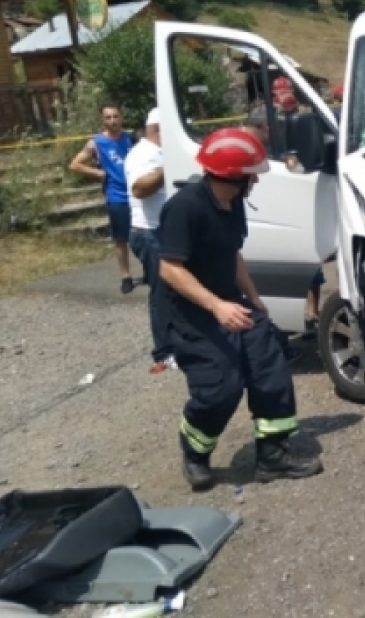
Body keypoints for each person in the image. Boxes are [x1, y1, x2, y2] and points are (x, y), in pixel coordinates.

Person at [158, 127, 323, 490]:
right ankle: (195, 451)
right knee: (221, 388)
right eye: (252, 175)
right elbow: (169, 269)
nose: (256, 181)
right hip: (196, 315)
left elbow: (233, 254)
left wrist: (255, 300)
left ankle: (272, 456)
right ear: (234, 176)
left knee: (271, 370)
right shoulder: (185, 208)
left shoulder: (231, 204)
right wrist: (217, 306)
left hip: (233, 303)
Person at [125, 108, 176, 373]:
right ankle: (164, 352)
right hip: (149, 233)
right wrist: (167, 169)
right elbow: (139, 188)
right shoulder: (143, 155)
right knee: (162, 293)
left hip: (161, 230)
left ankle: (176, 343)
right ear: (157, 129)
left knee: (174, 290)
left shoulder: (157, 151)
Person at [70, 101, 134, 293]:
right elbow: (75, 164)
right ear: (102, 119)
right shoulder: (97, 143)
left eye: (115, 116)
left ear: (121, 117)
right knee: (121, 239)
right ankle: (126, 276)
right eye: (108, 117)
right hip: (116, 196)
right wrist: (99, 173)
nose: (112, 121)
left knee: (144, 236)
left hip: (137, 193)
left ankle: (149, 269)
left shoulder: (132, 138)